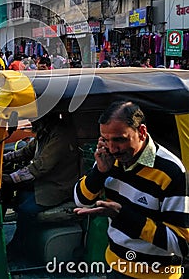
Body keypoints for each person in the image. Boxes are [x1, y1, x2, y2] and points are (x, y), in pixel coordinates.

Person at [74, 101, 189, 278]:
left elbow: (182, 244)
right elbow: (81, 200)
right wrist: (99, 172)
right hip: (115, 264)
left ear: (141, 132)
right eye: (106, 139)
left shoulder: (171, 171)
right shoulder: (109, 157)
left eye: (120, 139)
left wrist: (123, 216)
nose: (112, 148)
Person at [3, 113, 81, 255]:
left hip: (57, 186)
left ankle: (19, 247)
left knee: (25, 210)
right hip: (43, 181)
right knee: (7, 189)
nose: (31, 119)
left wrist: (11, 178)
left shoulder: (60, 135)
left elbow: (40, 166)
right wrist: (2, 158)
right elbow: (27, 151)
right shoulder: (45, 131)